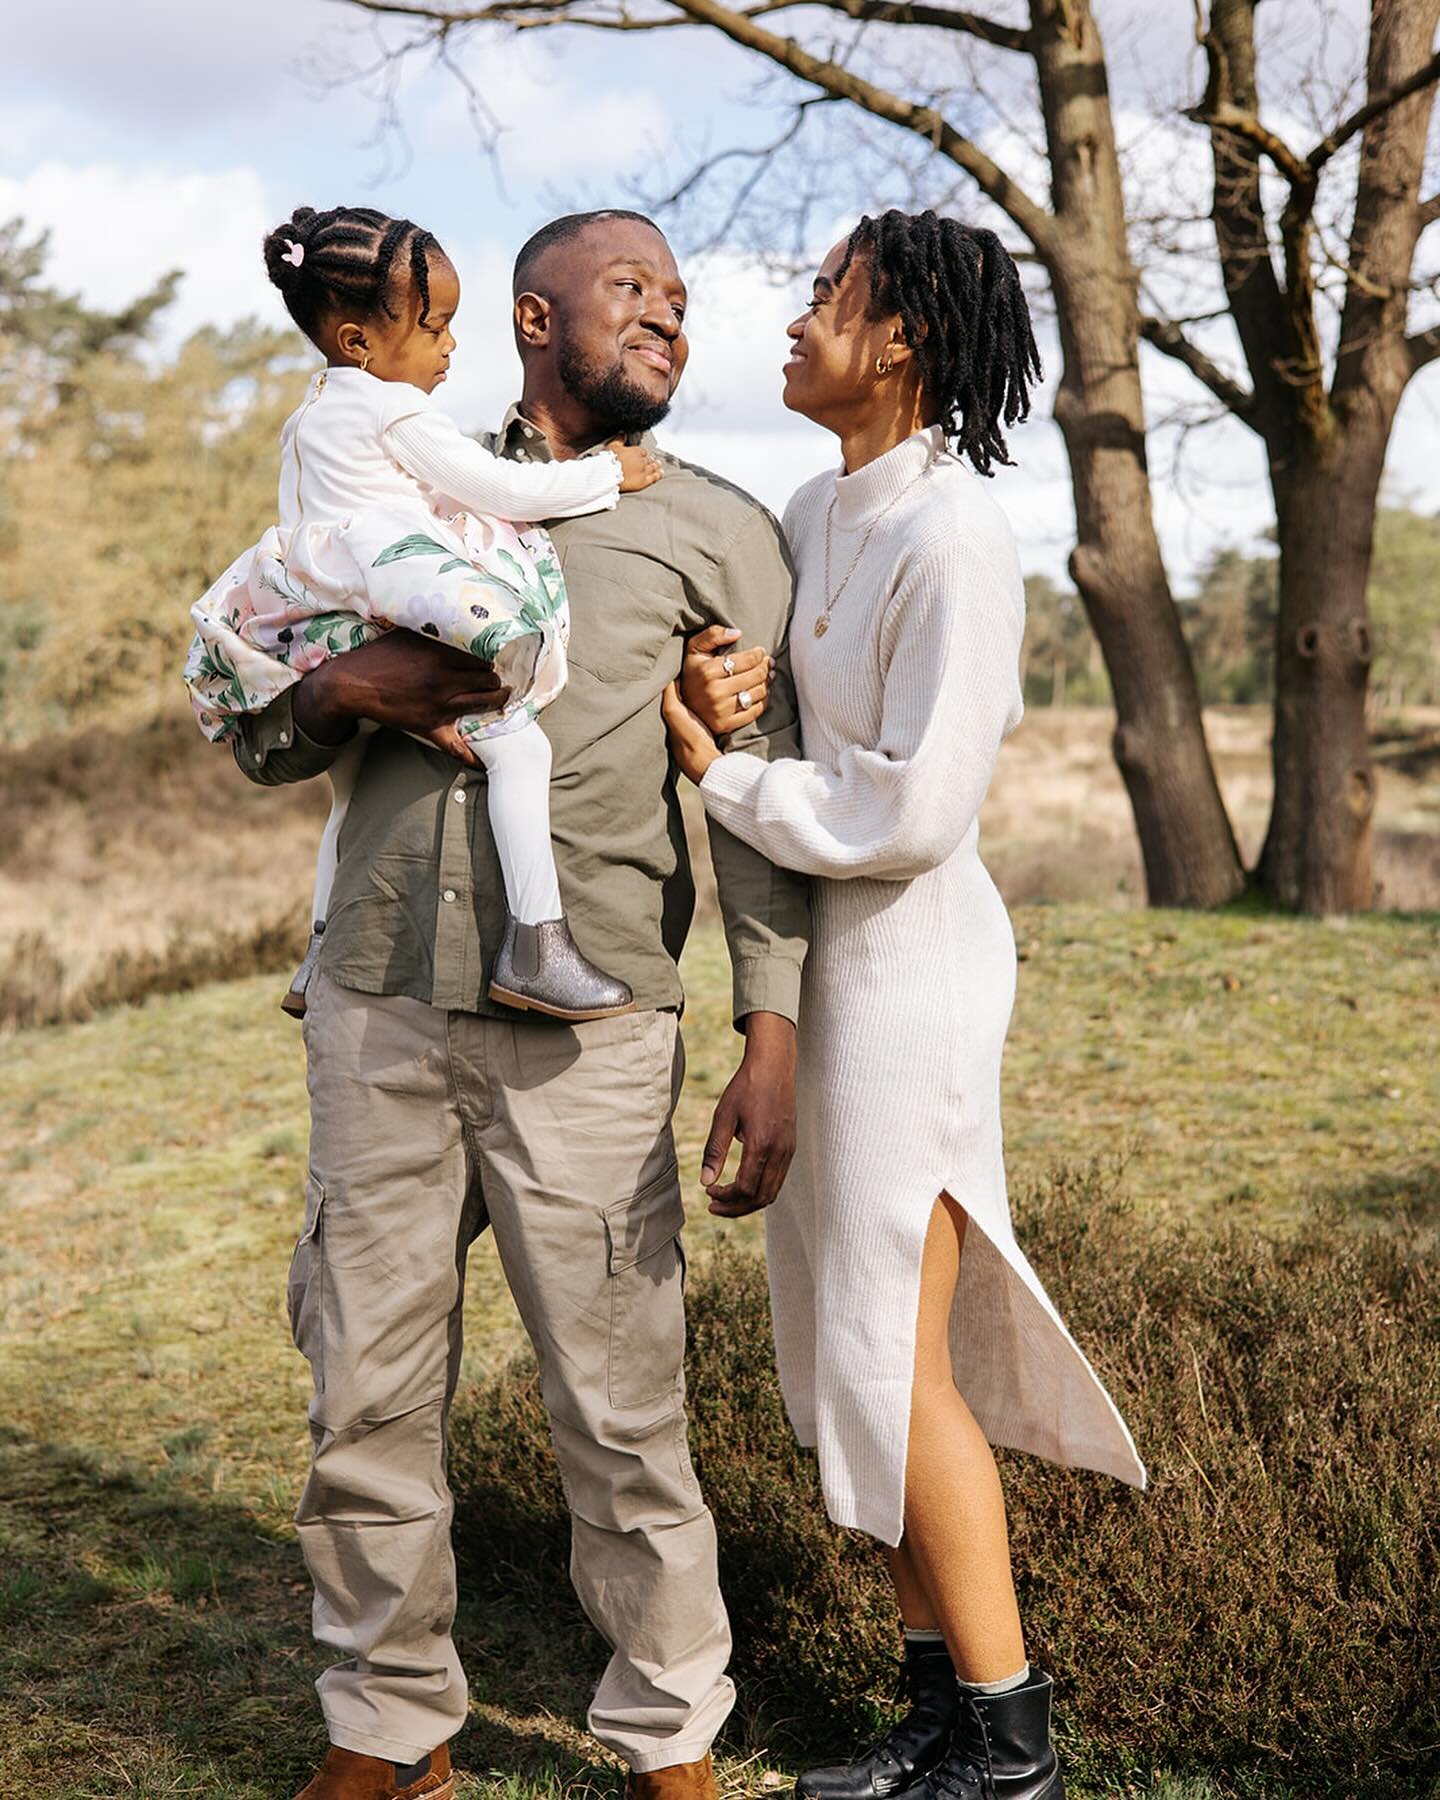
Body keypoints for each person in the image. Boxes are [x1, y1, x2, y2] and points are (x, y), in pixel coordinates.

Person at [230, 208, 809, 1800]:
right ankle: (387, 1729)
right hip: (377, 1008)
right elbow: (259, 720)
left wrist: (768, 1031)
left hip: (592, 1032)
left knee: (620, 1410)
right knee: (364, 1393)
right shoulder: (390, 472)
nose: (669, 316)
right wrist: (334, 692)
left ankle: (669, 1738)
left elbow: (761, 792)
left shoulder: (717, 529)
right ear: (535, 318)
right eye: (632, 288)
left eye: (680, 297)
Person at [663, 210, 1146, 1800]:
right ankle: (936, 1719)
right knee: (842, 1367)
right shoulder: (816, 509)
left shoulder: (954, 539)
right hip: (831, 971)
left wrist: (731, 778)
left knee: (892, 1360)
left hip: (913, 974)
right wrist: (727, 704)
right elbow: (789, 722)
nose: (797, 320)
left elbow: (916, 811)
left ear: (901, 342)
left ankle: (1011, 1751)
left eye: (830, 297)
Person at [186, 203, 665, 1020]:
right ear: (359, 343)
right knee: (519, 749)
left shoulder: (309, 417)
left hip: (321, 623)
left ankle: (317, 954)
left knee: (345, 798)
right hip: (394, 599)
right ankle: (537, 945)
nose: (450, 346)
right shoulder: (391, 409)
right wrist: (606, 476)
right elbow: (500, 487)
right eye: (433, 326)